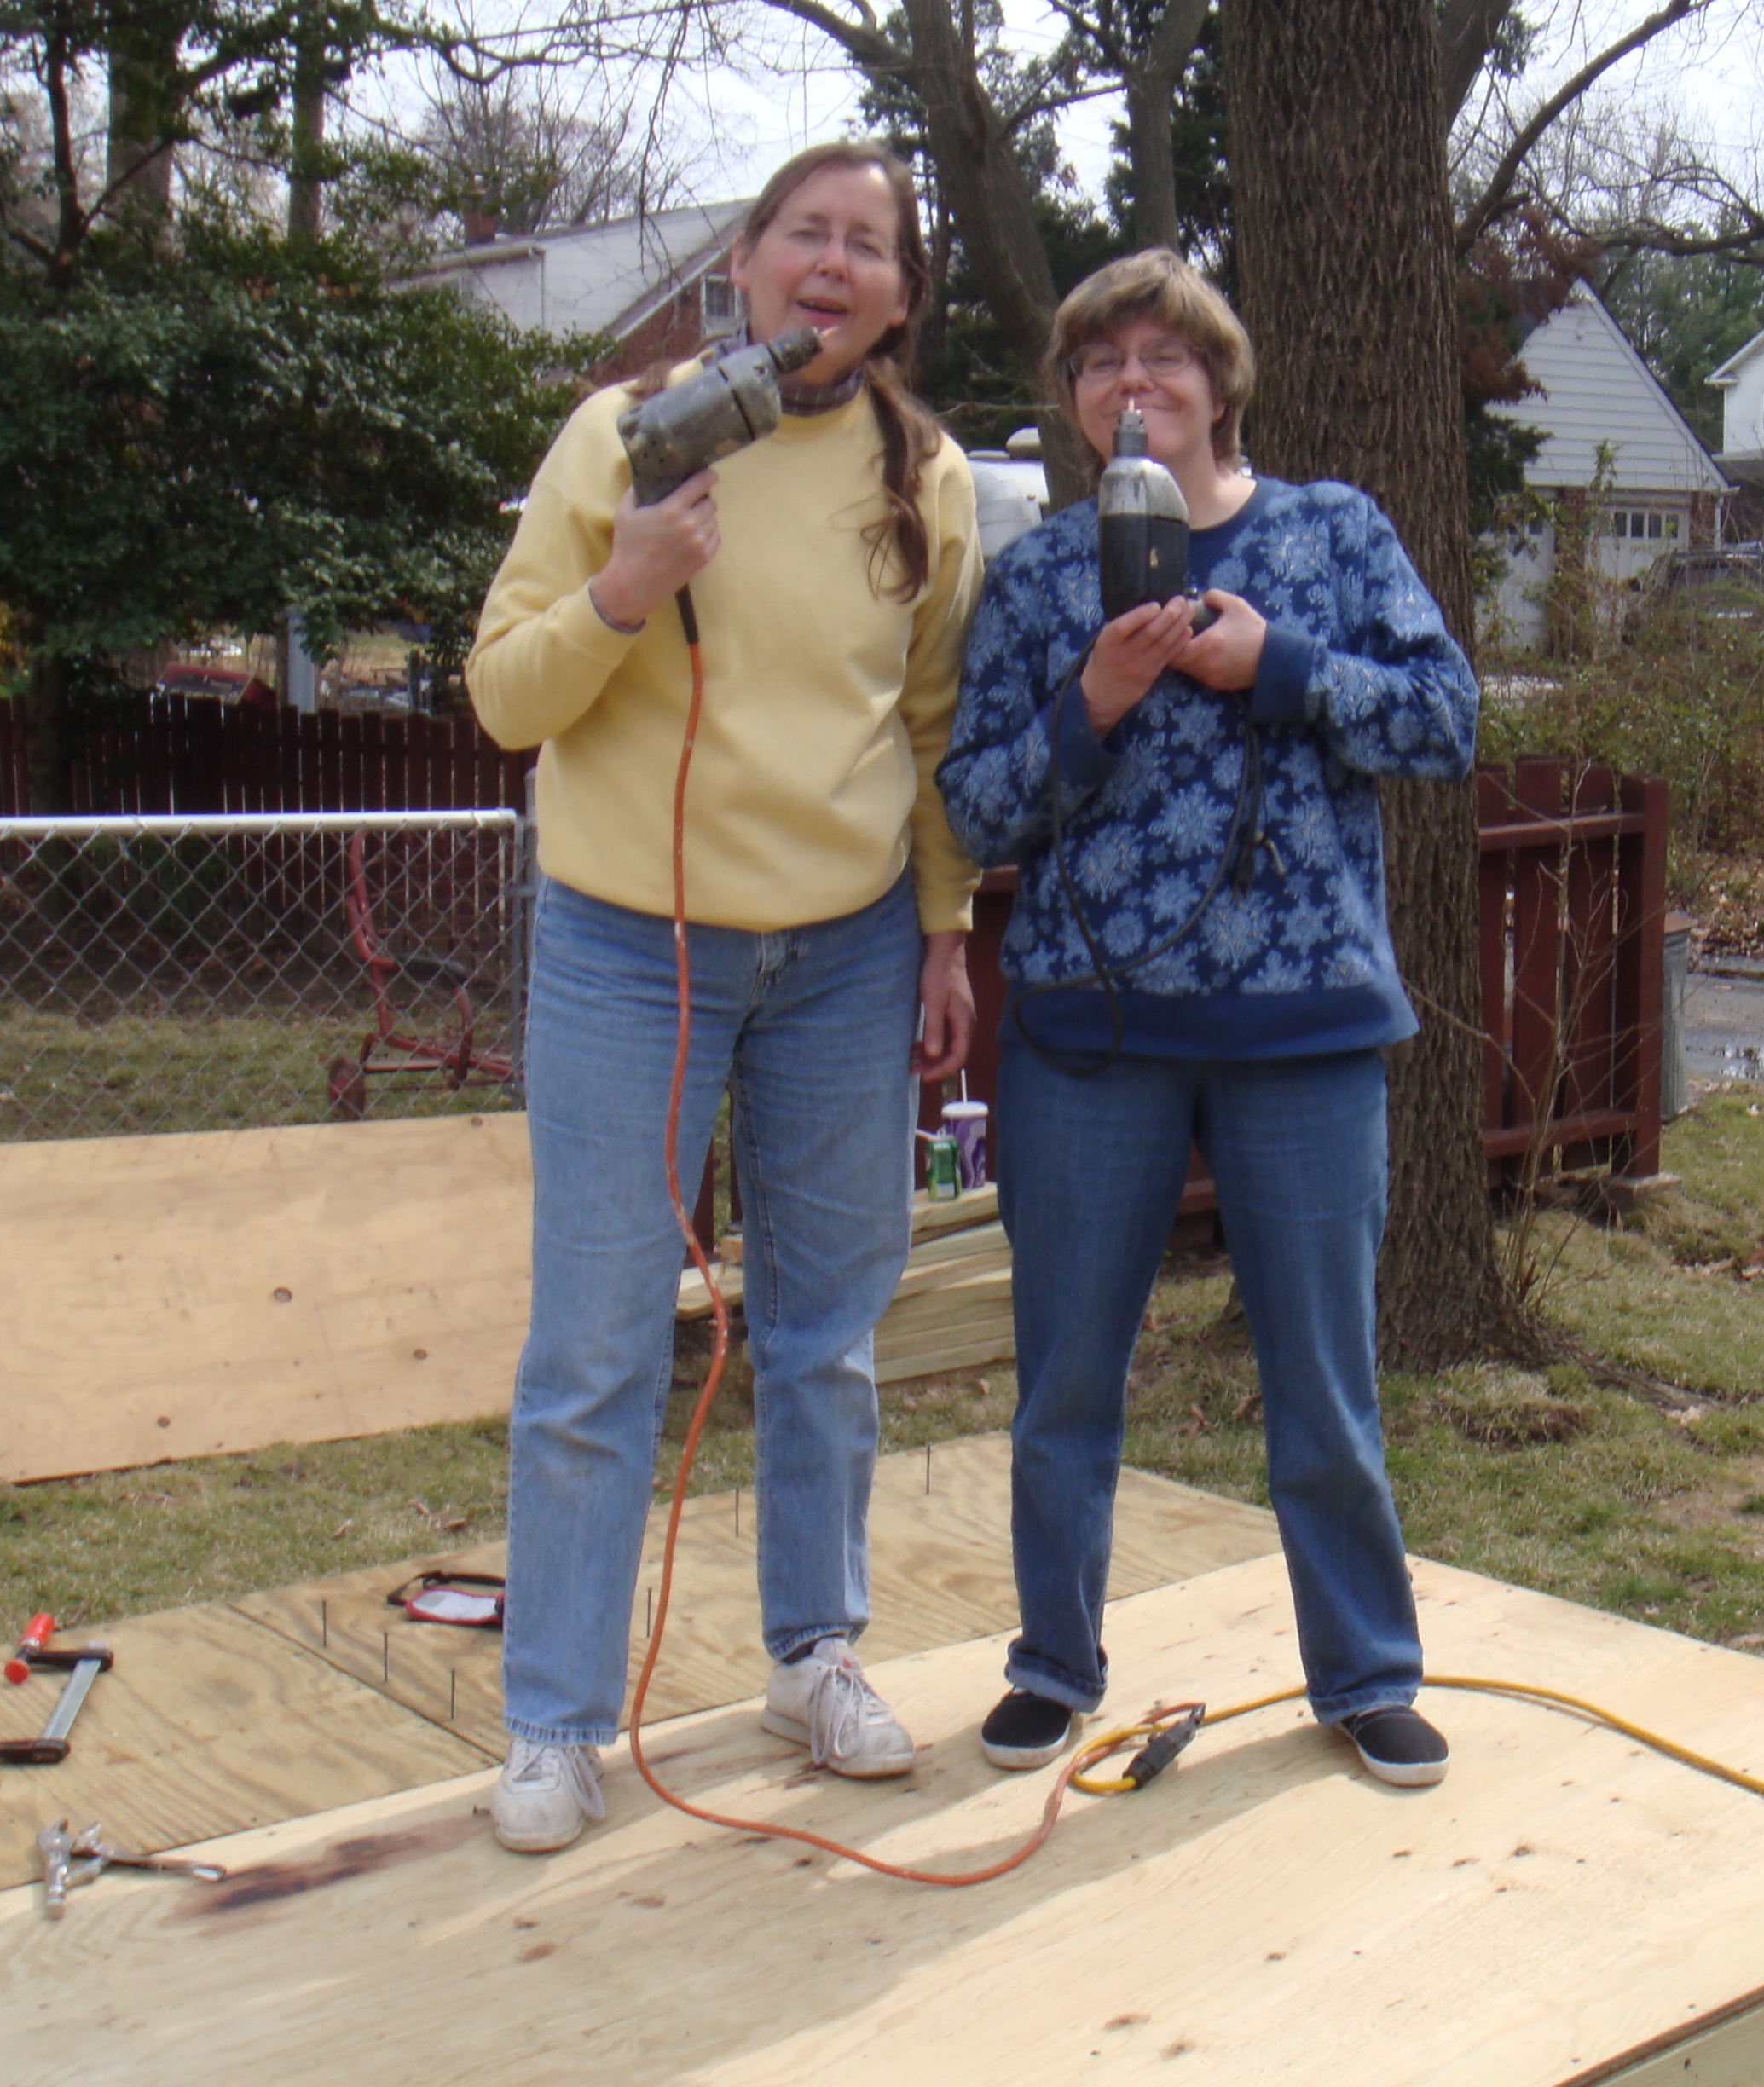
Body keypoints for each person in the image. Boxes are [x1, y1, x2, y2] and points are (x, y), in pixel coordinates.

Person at [466, 141, 982, 1854]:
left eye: (869, 246)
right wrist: (622, 592)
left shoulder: (931, 481)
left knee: (826, 1336)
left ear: (899, 295)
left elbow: (927, 735)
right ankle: (553, 1724)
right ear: (746, 267)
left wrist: (941, 933)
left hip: (841, 957)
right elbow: (503, 699)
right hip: (633, 947)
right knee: (598, 1345)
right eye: (804, 236)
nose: (833, 266)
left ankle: (813, 1653)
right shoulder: (623, 438)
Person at [936, 251, 1478, 1789]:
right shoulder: (1044, 575)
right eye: (1102, 365)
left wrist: (1279, 668)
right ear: (1074, 402)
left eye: (1162, 361)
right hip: (1089, 1038)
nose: (1132, 386)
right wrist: (1089, 710)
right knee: (1066, 1380)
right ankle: (1053, 1665)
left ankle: (1365, 1675)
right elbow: (974, 804)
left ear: (1219, 385)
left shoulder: (1332, 532)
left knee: (1323, 1381)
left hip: (1302, 1032)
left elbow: (1448, 720)